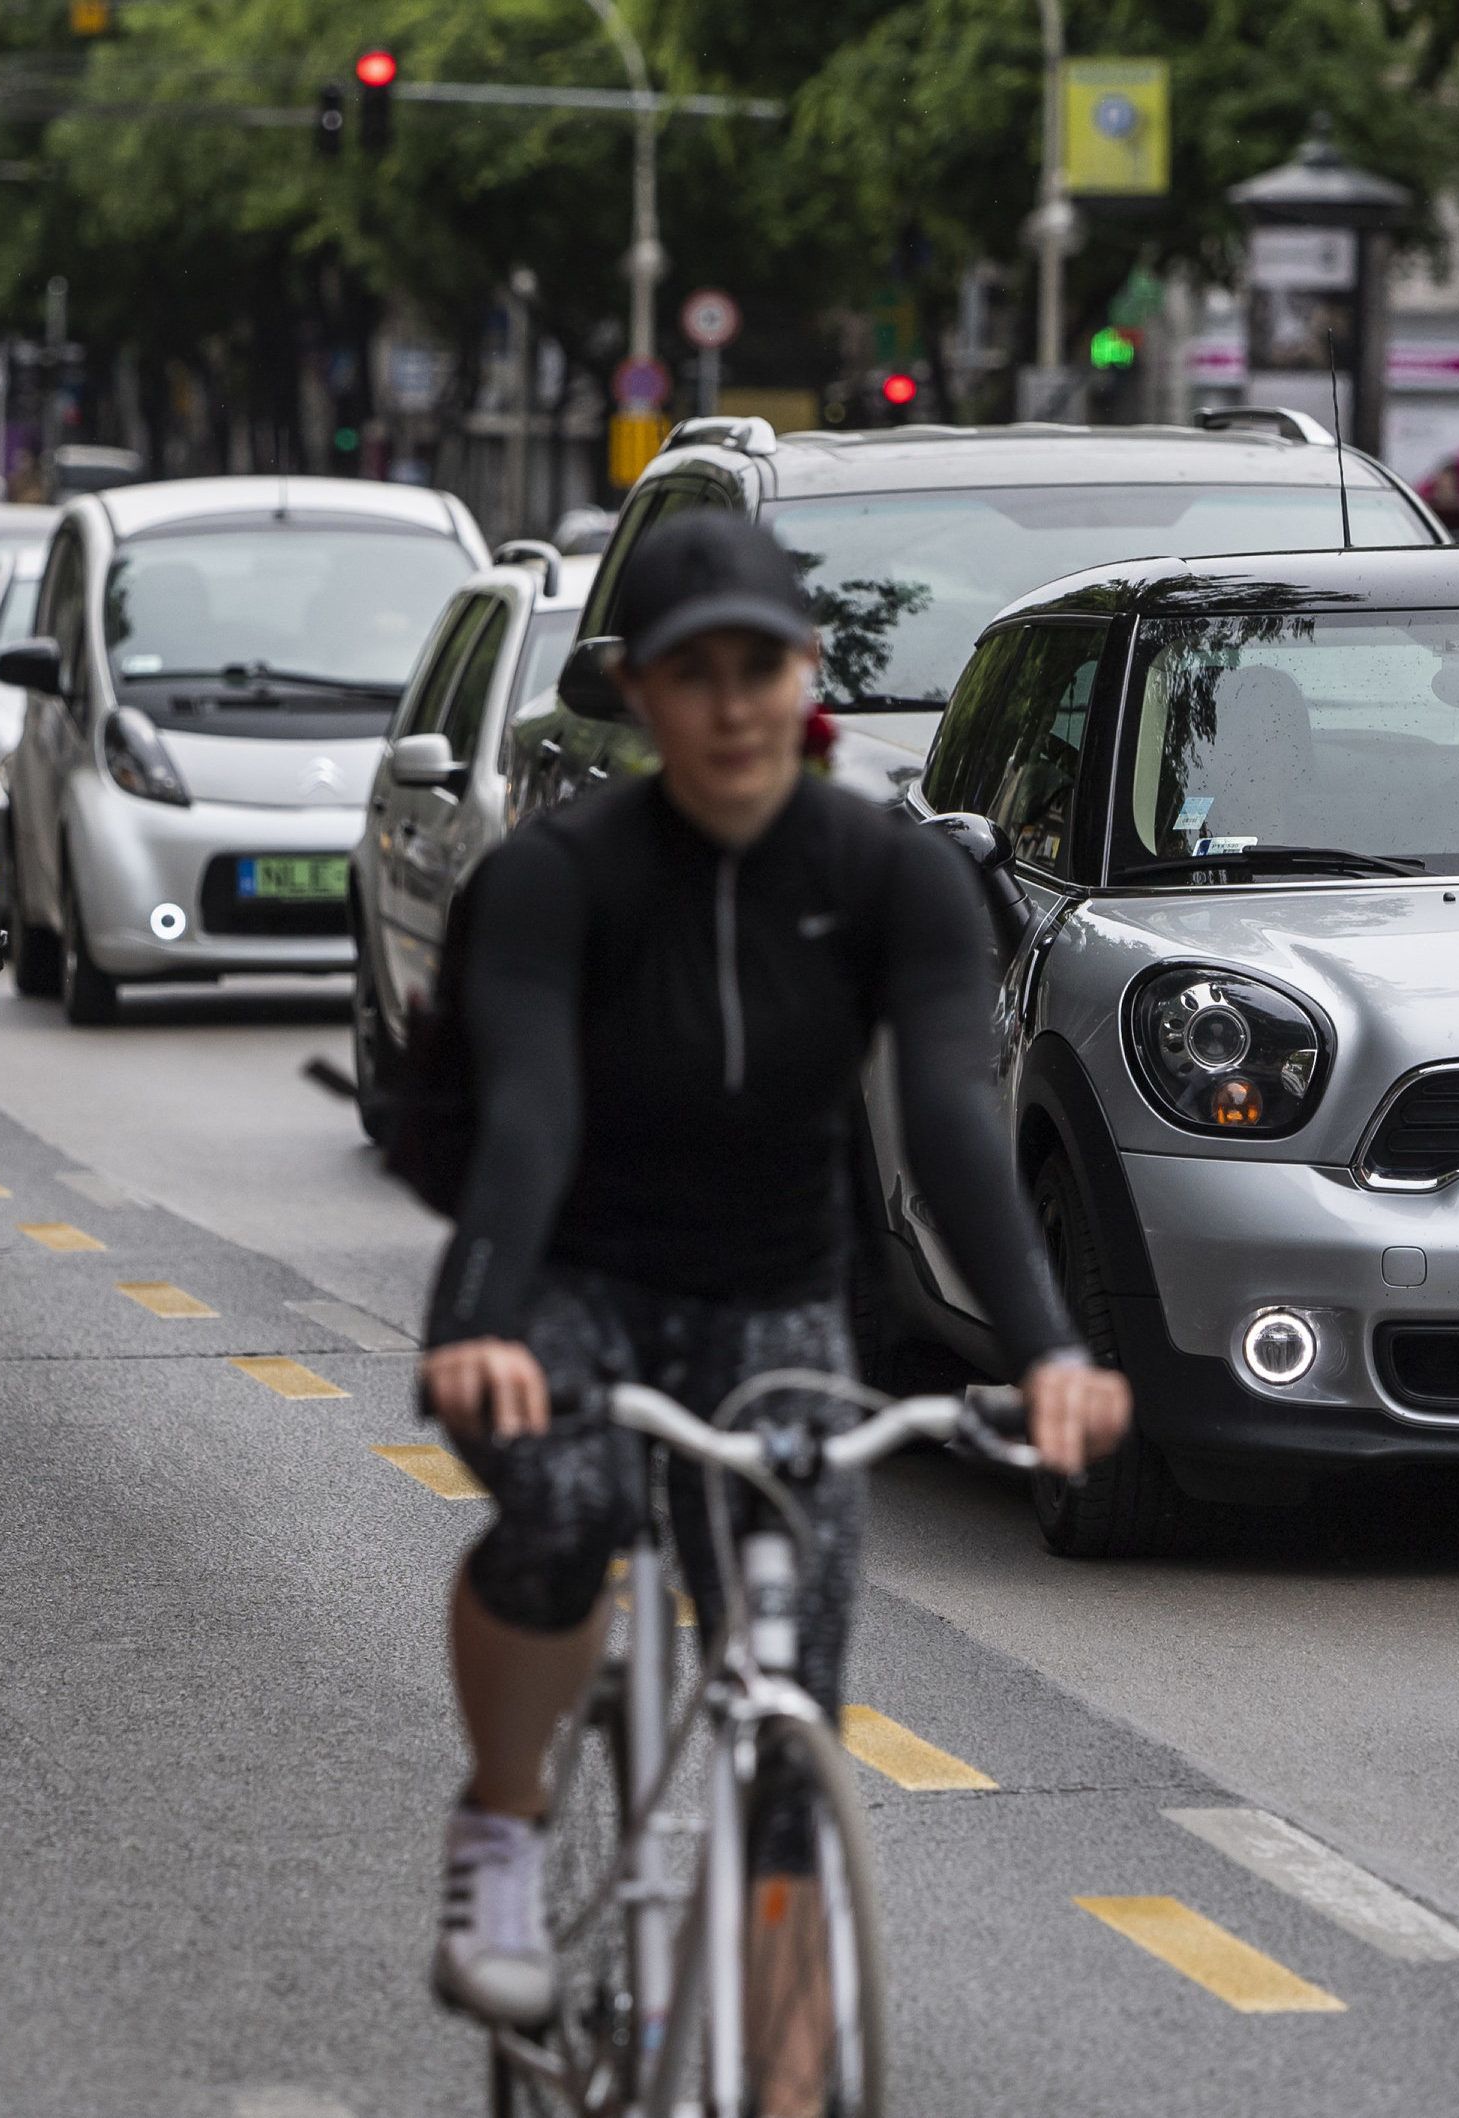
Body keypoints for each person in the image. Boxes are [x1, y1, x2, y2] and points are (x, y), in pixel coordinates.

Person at [414, 511, 1129, 2104]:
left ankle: (792, 2082)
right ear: (637, 696)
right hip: (577, 1284)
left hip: (774, 1301)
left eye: (761, 666)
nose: (731, 703)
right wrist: (477, 1319)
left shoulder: (891, 875)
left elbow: (949, 1120)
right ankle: (508, 1822)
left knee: (794, 1692)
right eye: (693, 673)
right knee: (565, 1507)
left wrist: (1050, 1352)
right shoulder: (555, 878)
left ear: (810, 682)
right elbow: (525, 1117)